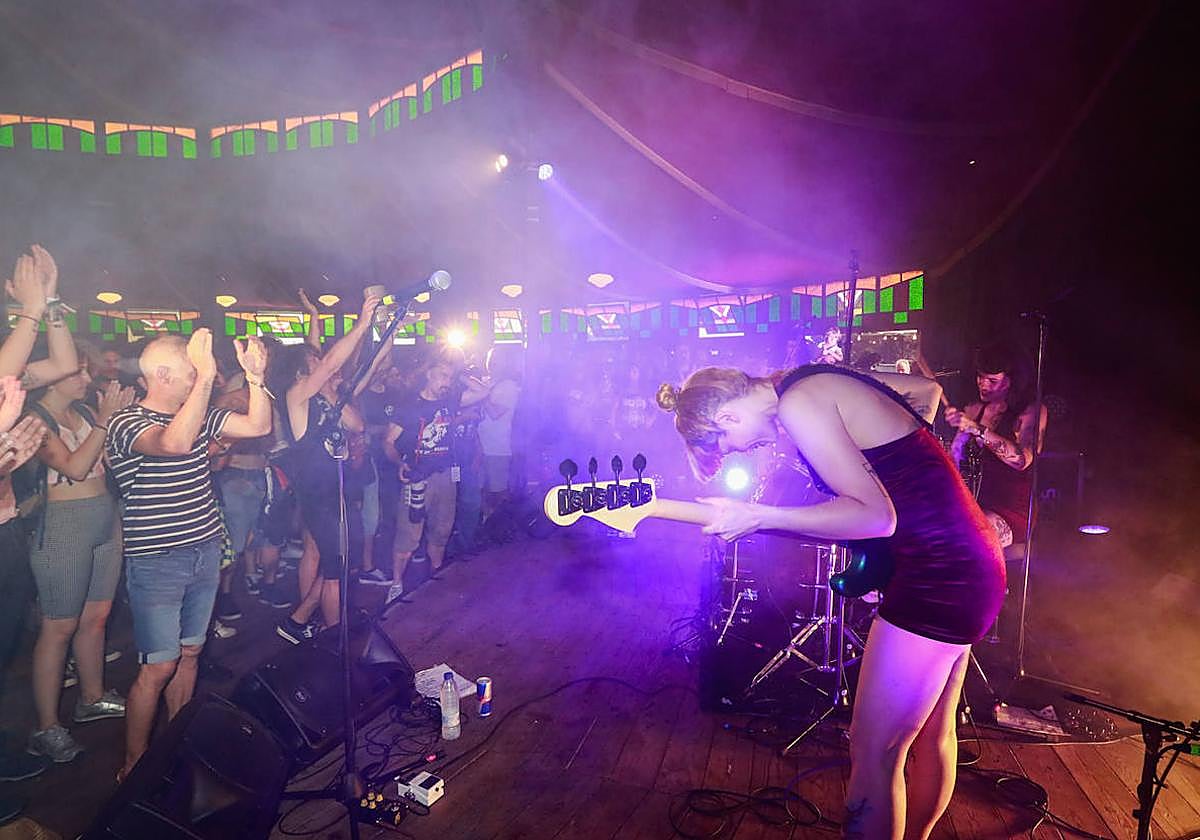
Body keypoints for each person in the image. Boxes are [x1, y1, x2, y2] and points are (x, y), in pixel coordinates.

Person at [657, 364, 1004, 840]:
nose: (746, 451)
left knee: (875, 754)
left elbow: (877, 518)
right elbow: (926, 393)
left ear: (727, 419)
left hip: (937, 574)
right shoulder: (807, 380)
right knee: (933, 735)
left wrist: (759, 515)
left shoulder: (799, 403)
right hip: (968, 557)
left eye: (728, 446)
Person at [105, 330, 269, 780]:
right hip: (158, 560)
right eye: (192, 371)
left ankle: (176, 743)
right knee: (158, 666)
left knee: (191, 654)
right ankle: (135, 767)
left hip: (203, 551)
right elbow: (172, 443)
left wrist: (256, 380)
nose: (204, 379)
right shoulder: (127, 422)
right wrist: (208, 379)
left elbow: (258, 427)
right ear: (162, 375)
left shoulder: (195, 415)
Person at [26, 369, 134, 763]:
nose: (87, 378)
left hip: (104, 518)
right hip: (63, 526)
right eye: (78, 372)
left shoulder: (86, 412)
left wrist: (117, 420)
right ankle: (46, 727)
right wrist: (105, 421)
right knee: (59, 627)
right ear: (49, 377)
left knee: (97, 617)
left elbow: (107, 460)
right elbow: (73, 467)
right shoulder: (33, 420)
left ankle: (91, 698)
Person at [273, 289, 381, 645]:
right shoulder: (296, 395)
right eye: (313, 357)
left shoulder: (322, 397)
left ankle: (297, 620)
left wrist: (334, 392)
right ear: (302, 367)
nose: (320, 359)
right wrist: (363, 321)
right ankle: (335, 642)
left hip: (336, 491)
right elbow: (331, 362)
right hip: (318, 496)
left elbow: (357, 418)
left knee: (340, 563)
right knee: (336, 571)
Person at [944, 343, 1048, 554]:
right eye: (980, 377)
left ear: (1010, 382)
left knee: (967, 541)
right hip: (974, 503)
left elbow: (1022, 460)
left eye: (993, 381)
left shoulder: (1030, 411)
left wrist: (976, 428)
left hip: (1011, 510)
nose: (983, 384)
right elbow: (955, 460)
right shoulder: (973, 409)